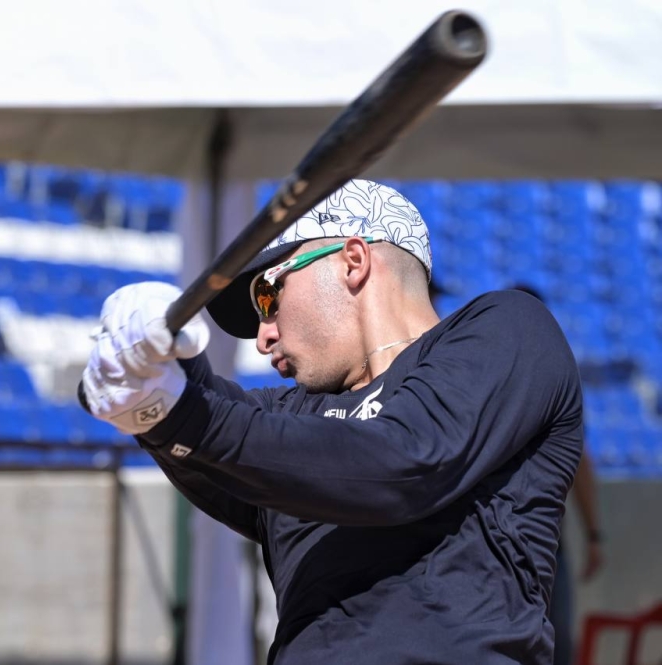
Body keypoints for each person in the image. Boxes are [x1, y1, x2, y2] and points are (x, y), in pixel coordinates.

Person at [81, 179, 584, 664]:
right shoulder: (301, 416)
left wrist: (181, 412)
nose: (262, 337)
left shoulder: (508, 329)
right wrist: (157, 375)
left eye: (267, 297)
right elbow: (224, 424)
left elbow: (404, 461)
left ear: (353, 262)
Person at [507, 285, 605, 665]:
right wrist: (595, 535)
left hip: (535, 539)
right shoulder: (485, 378)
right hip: (516, 539)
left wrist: (595, 534)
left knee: (550, 646)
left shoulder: (554, 378)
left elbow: (579, 459)